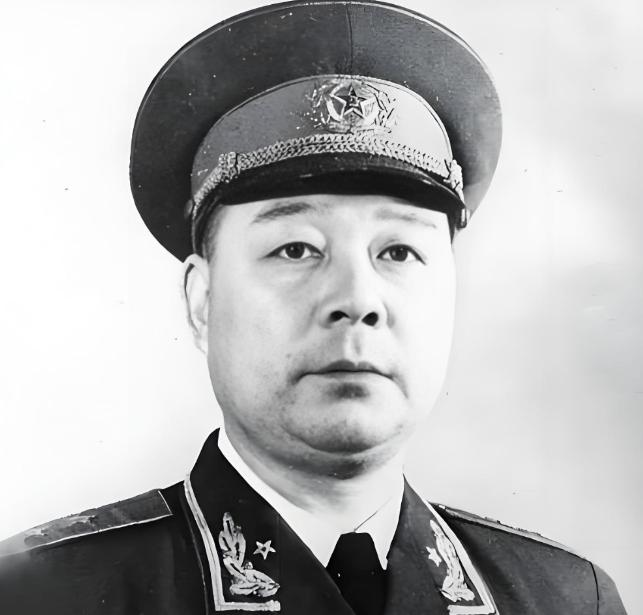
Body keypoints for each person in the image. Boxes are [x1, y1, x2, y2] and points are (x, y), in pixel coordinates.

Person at [0, 1, 627, 614]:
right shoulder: (40, 594)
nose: (357, 301)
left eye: (399, 252)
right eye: (296, 249)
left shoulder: (565, 600)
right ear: (202, 301)